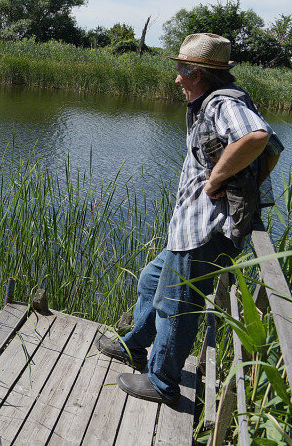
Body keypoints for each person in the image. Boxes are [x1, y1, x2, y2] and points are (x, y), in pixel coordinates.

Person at [97, 32, 284, 404]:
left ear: (197, 73)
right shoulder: (210, 103)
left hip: (205, 229)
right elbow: (275, 148)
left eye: (182, 70)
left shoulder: (219, 102)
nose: (177, 78)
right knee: (152, 281)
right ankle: (134, 346)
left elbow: (259, 138)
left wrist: (217, 180)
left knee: (176, 304)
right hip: (190, 227)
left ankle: (162, 382)